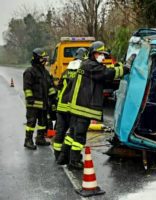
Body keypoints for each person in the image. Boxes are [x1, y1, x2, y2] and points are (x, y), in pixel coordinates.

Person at [63, 41, 130, 169]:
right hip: (82, 108)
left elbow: (105, 73)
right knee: (79, 136)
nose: (103, 57)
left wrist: (117, 66)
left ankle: (64, 157)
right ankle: (74, 161)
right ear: (93, 54)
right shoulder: (91, 66)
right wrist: (125, 68)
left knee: (72, 134)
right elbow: (107, 74)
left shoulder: (89, 65)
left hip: (77, 107)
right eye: (100, 54)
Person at [54, 48, 88, 162]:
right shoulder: (81, 72)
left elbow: (59, 88)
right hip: (71, 108)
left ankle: (58, 156)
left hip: (61, 107)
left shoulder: (66, 71)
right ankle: (72, 157)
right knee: (73, 132)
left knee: (60, 132)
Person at [23, 48, 56, 150]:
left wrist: (54, 97)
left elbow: (50, 86)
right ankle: (28, 140)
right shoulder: (29, 72)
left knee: (43, 123)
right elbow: (27, 87)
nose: (45, 61)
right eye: (43, 58)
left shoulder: (45, 72)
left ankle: (40, 138)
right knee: (31, 123)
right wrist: (30, 99)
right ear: (38, 58)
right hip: (33, 104)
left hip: (44, 104)